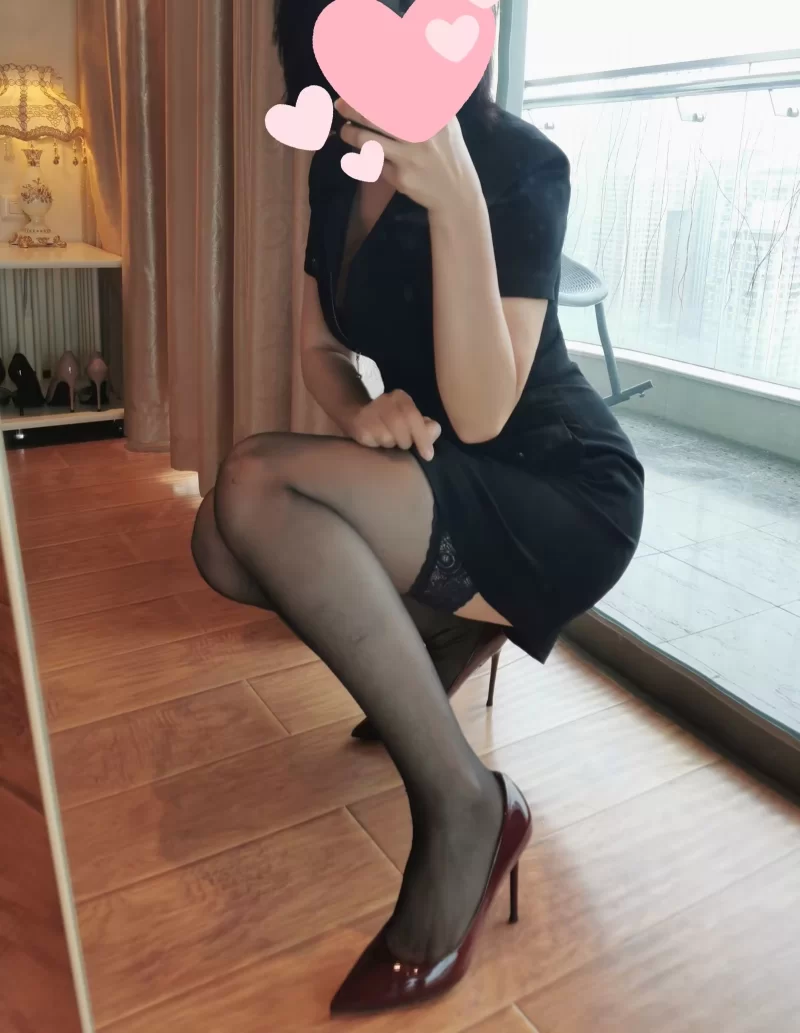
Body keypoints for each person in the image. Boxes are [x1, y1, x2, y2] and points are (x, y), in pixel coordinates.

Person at [191, 0, 644, 1015]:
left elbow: (483, 412)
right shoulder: (338, 163)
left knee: (254, 484)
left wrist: (459, 202)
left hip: (558, 485)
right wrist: (360, 411)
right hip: (440, 468)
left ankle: (465, 807)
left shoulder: (518, 164)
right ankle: (445, 629)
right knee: (218, 540)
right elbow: (319, 343)